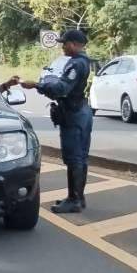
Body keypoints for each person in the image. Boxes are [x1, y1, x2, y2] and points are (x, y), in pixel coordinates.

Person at [20, 30, 93, 213]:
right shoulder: (83, 62)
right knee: (80, 158)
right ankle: (77, 197)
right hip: (80, 111)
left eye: (65, 43)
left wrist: (37, 85)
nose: (63, 46)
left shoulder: (76, 64)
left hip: (74, 114)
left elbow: (62, 89)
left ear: (75, 44)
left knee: (74, 157)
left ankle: (74, 200)